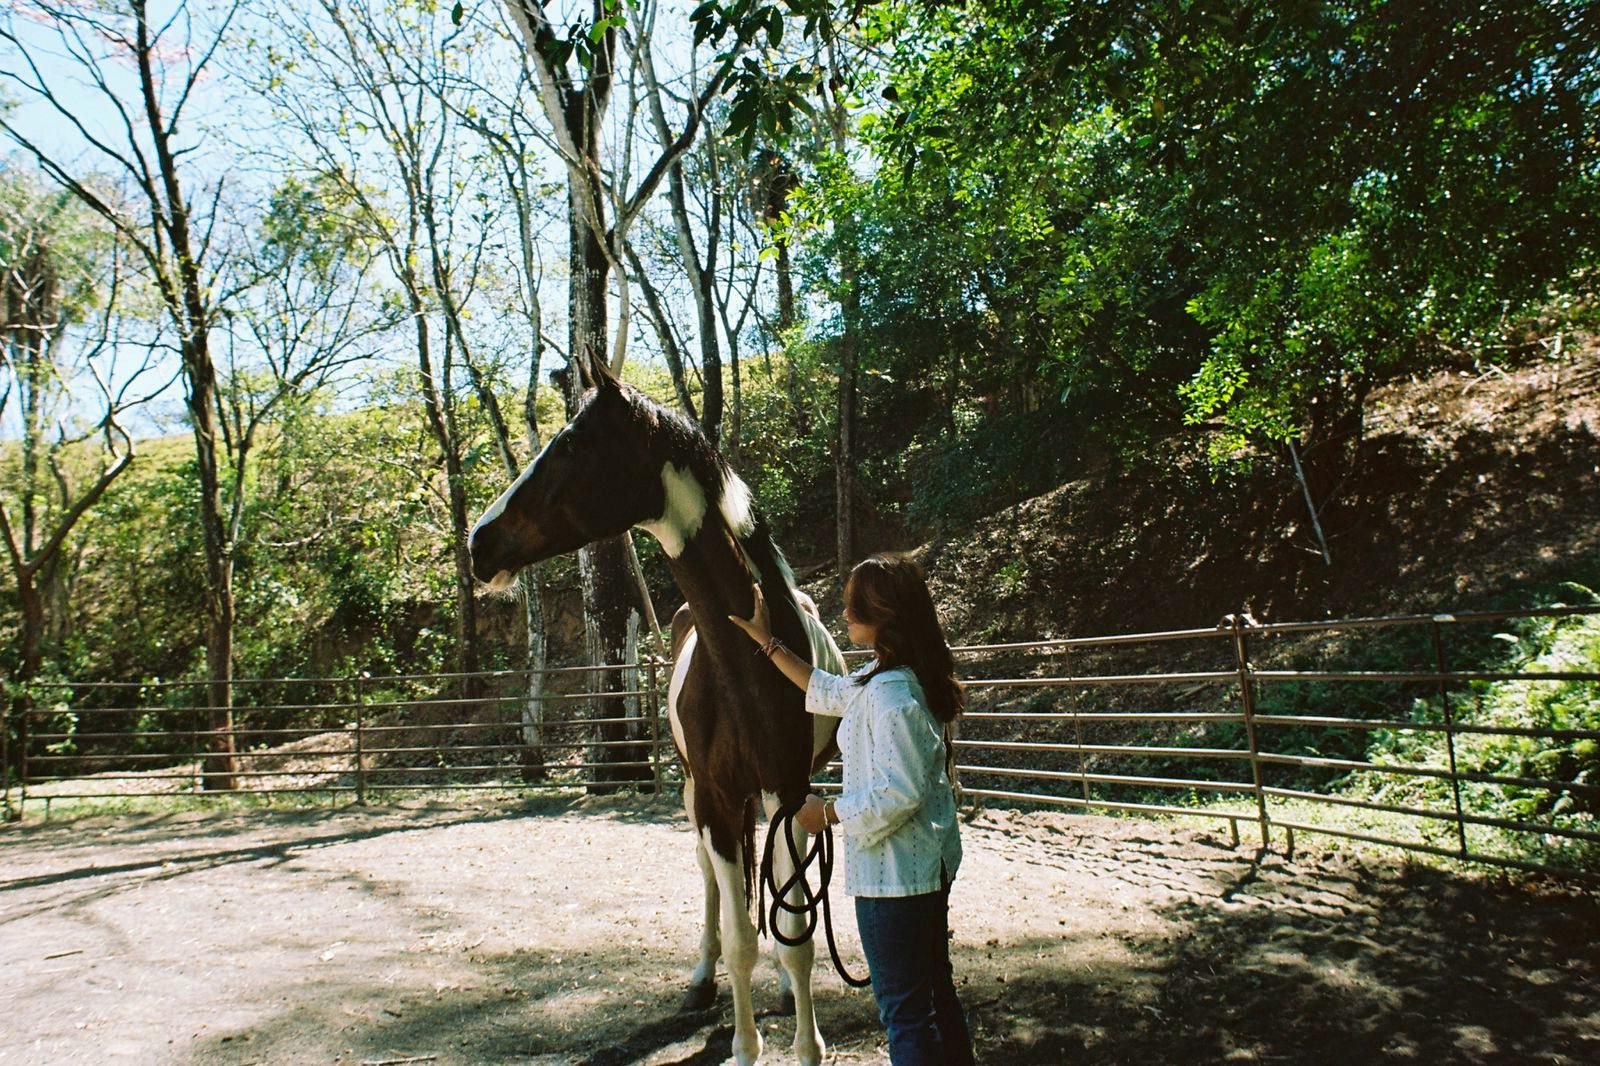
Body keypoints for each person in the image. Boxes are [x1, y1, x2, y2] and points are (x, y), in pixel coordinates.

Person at [730, 553, 974, 1066]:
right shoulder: (884, 679)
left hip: (896, 880)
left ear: (884, 616)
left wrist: (829, 813)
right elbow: (826, 688)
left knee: (904, 1012)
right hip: (916, 872)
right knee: (933, 994)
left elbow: (896, 794)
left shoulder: (893, 697)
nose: (843, 616)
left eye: (852, 607)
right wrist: (767, 641)